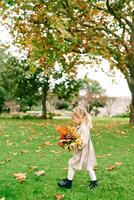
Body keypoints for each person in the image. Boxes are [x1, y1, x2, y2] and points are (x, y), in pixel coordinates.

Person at [57, 106, 98, 189]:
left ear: (80, 117)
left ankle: (69, 182)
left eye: (74, 118)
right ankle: (94, 182)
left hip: (84, 152)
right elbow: (76, 136)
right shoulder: (81, 127)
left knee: (73, 164)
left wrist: (74, 144)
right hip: (83, 152)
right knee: (87, 167)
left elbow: (83, 142)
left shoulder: (83, 129)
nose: (73, 120)